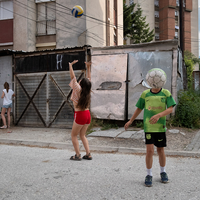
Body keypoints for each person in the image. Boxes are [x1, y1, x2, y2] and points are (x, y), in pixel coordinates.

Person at [124, 79, 176, 187]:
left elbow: (170, 109)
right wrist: (130, 121)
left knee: (160, 150)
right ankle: (149, 174)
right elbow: (139, 108)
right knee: (149, 151)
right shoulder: (145, 94)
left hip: (160, 127)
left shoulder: (166, 93)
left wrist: (158, 115)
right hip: (148, 127)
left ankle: (163, 172)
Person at [69, 60, 92, 161]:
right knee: (82, 135)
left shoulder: (78, 89)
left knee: (74, 135)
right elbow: (89, 79)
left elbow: (73, 77)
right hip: (87, 114)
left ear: (81, 84)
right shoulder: (87, 90)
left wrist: (70, 66)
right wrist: (88, 67)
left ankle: (77, 155)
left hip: (80, 115)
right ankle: (88, 154)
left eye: (80, 81)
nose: (79, 81)